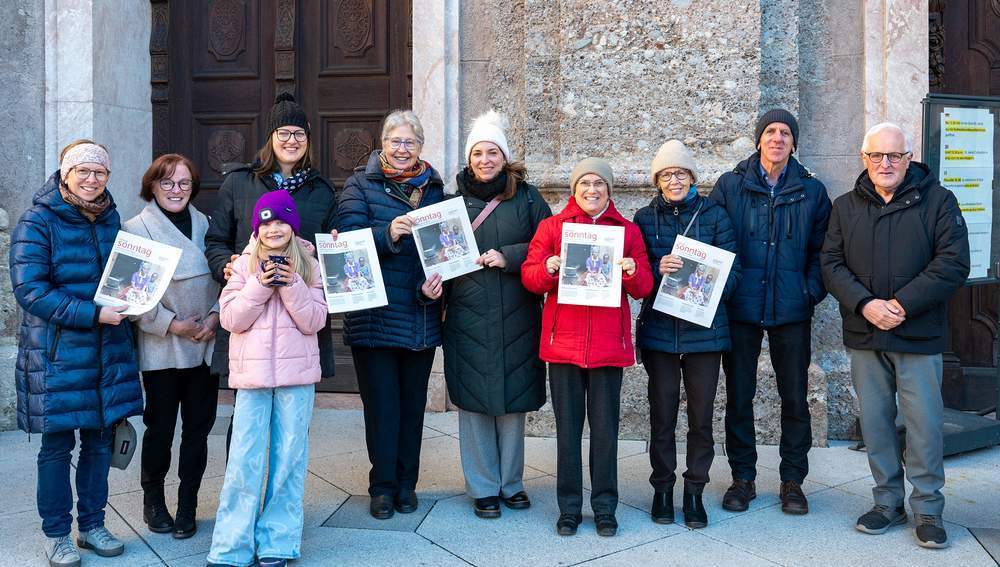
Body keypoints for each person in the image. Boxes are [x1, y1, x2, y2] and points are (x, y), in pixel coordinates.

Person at [821, 122, 970, 549]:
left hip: (918, 334)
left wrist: (902, 304)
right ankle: (887, 502)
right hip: (866, 333)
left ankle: (927, 508)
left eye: (895, 155)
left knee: (924, 426)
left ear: (909, 158)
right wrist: (866, 304)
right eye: (876, 156)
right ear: (863, 158)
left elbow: (953, 262)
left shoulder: (939, 201)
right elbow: (830, 264)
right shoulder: (845, 207)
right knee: (876, 424)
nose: (885, 164)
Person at [10, 140, 143, 566]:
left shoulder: (110, 218)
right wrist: (92, 314)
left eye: (99, 172)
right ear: (64, 174)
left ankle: (92, 525)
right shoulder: (37, 221)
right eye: (82, 171)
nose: (91, 179)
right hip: (58, 356)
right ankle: (56, 534)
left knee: (100, 445)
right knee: (56, 448)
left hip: (106, 351)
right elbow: (30, 290)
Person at [709, 108, 832, 515]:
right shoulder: (730, 186)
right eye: (770, 131)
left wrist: (809, 291)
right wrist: (726, 291)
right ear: (758, 139)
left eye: (785, 133)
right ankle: (742, 478)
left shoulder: (812, 192)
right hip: (741, 308)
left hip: (792, 309)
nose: (777, 138)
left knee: (794, 397)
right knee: (739, 396)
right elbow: (713, 242)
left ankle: (793, 480)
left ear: (794, 142)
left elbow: (824, 252)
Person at [522, 157, 653, 537]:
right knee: (567, 433)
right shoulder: (553, 227)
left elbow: (644, 287)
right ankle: (569, 508)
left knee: (605, 433)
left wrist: (631, 270)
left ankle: (605, 507)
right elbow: (530, 277)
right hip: (563, 345)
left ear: (609, 191)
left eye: (599, 184)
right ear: (574, 189)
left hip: (608, 347)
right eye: (585, 183)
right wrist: (548, 266)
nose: (592, 190)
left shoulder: (626, 232)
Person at [207, 191, 327, 567]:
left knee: (289, 458)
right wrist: (260, 285)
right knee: (244, 460)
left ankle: (278, 540)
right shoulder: (242, 265)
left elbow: (314, 321)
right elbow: (231, 320)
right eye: (267, 223)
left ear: (292, 226)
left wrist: (291, 285)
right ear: (257, 228)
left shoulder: (309, 264)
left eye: (281, 222)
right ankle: (231, 546)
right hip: (252, 377)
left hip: (297, 376)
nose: (274, 229)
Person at [442, 110, 552, 519]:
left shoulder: (527, 197)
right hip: (467, 314)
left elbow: (549, 245)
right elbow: (435, 256)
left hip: (517, 312)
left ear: (504, 157)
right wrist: (430, 285)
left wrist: (509, 256)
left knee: (511, 402)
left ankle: (512, 483)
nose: (484, 160)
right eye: (477, 153)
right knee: (474, 404)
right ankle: (483, 487)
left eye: (492, 152)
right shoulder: (450, 202)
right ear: (469, 159)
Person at [336, 110, 446, 519]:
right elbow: (346, 242)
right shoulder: (359, 186)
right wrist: (388, 234)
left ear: (421, 147)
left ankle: (406, 484)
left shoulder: (436, 190)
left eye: (410, 143)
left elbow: (445, 253)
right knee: (382, 408)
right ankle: (381, 487)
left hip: (419, 314)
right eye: (395, 142)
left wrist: (436, 287)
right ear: (383, 143)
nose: (402, 150)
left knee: (412, 407)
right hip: (375, 318)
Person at [633, 140, 741, 528]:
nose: (674, 180)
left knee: (701, 418)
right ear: (657, 181)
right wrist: (655, 269)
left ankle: (694, 491)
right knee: (661, 416)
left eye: (680, 173)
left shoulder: (715, 215)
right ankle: (662, 488)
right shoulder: (644, 219)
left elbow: (733, 272)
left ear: (693, 177)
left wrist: (706, 287)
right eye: (666, 175)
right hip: (660, 332)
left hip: (705, 334)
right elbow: (638, 275)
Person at [204, 93, 337, 382]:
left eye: (300, 133)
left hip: (298, 326)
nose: (292, 140)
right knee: (248, 415)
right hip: (253, 322)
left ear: (309, 138)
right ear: (270, 137)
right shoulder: (238, 182)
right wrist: (223, 265)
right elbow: (216, 240)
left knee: (294, 418)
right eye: (284, 132)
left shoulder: (322, 191)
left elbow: (329, 252)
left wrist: (337, 246)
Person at [123, 154, 220, 540]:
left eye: (183, 183)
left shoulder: (207, 225)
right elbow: (129, 294)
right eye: (167, 183)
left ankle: (188, 504)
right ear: (152, 186)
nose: (176, 190)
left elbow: (224, 275)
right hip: (163, 345)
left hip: (204, 341)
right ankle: (154, 501)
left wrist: (215, 317)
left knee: (198, 429)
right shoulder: (134, 229)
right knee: (160, 428)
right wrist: (171, 324)